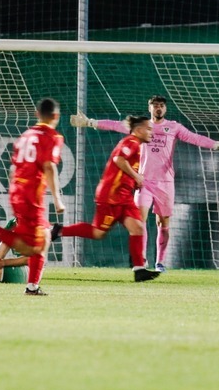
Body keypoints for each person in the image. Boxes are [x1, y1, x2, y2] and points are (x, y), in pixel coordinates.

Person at [71, 95, 219, 272]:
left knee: (164, 224)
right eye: (155, 105)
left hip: (165, 183)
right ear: (150, 107)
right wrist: (90, 122)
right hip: (144, 181)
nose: (158, 108)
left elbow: (195, 138)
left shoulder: (174, 127)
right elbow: (115, 125)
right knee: (139, 219)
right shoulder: (141, 127)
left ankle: (160, 262)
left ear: (165, 109)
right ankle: (141, 260)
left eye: (161, 105)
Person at [0, 98, 66, 295]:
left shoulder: (25, 136)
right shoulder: (52, 136)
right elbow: (49, 166)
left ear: (37, 115)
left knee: (41, 239)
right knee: (37, 247)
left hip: (16, 192)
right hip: (31, 195)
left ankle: (32, 287)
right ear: (56, 116)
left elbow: (14, 169)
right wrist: (57, 198)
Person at [51, 115, 161, 282]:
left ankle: (139, 269)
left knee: (138, 228)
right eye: (149, 129)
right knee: (98, 233)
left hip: (124, 197)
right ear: (138, 130)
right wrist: (136, 177)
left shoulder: (137, 145)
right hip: (111, 196)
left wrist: (133, 180)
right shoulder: (130, 141)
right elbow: (119, 159)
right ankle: (59, 230)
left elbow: (125, 166)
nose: (151, 132)